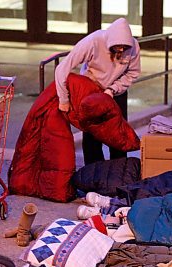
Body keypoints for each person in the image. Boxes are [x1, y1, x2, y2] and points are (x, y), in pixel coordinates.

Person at [55, 17, 141, 165]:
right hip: (91, 91)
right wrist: (64, 99)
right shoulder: (93, 41)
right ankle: (94, 174)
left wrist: (113, 89)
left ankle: (118, 173)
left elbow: (133, 73)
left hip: (115, 91)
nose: (121, 50)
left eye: (124, 47)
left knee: (118, 135)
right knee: (92, 137)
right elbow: (62, 68)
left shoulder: (133, 46)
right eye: (118, 46)